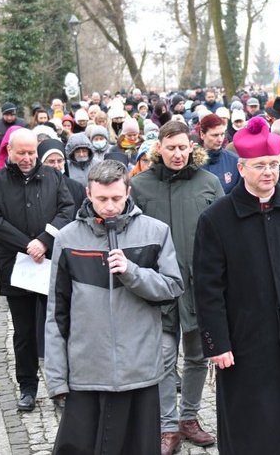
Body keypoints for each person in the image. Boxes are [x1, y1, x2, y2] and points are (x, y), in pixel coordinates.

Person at [193, 117, 280, 454]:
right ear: (241, 168)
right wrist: (218, 342)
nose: (268, 171)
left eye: (273, 164)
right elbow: (207, 287)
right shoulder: (217, 218)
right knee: (254, 428)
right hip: (245, 341)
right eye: (260, 166)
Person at [45, 160, 184, 454]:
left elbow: (172, 288)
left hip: (140, 371)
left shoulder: (155, 232)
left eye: (117, 199)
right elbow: (57, 313)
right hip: (87, 372)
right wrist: (57, 380)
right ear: (88, 193)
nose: (109, 206)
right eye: (101, 199)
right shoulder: (68, 238)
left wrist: (132, 273)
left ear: (128, 192)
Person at [131, 121, 223, 453]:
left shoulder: (208, 182)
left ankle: (189, 418)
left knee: (198, 357)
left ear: (192, 147)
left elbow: (224, 235)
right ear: (159, 149)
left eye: (183, 147)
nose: (177, 153)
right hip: (158, 289)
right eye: (171, 147)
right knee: (164, 360)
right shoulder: (140, 185)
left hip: (200, 287)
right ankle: (167, 426)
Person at [0, 129, 74, 412]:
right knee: (23, 331)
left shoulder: (53, 177)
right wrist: (27, 245)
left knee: (57, 325)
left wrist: (45, 241)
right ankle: (27, 387)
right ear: (9, 151)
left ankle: (60, 388)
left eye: (31, 152)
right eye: (21, 153)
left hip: (50, 263)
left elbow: (67, 209)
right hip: (15, 265)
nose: (27, 158)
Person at [37, 138, 87, 209]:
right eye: (51, 161)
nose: (56, 166)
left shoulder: (77, 187)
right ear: (41, 163)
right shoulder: (34, 187)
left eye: (60, 161)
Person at [199, 113, 241, 194]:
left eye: (222, 134)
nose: (220, 139)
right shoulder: (191, 161)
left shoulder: (234, 161)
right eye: (215, 135)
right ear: (202, 134)